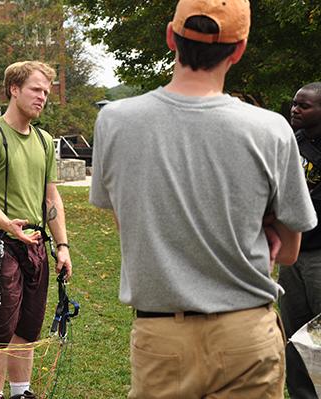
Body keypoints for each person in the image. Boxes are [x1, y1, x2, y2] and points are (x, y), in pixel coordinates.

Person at [89, 0, 317, 397]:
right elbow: (289, 251)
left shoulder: (115, 121)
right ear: (240, 48)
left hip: (160, 333)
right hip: (246, 332)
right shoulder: (270, 129)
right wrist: (260, 227)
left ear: (169, 37)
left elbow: (130, 224)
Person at [0, 60, 72, 399]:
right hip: (0, 247)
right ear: (14, 89)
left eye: (46, 92)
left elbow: (50, 195)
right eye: (36, 90)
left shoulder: (43, 140)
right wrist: (6, 224)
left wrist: (63, 246)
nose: (42, 98)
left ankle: (20, 393)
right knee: (0, 330)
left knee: (28, 328)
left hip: (36, 246)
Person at [279, 82, 321, 398]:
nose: (295, 110)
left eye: (303, 106)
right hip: (293, 255)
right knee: (294, 333)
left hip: (319, 257)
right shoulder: (292, 142)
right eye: (295, 104)